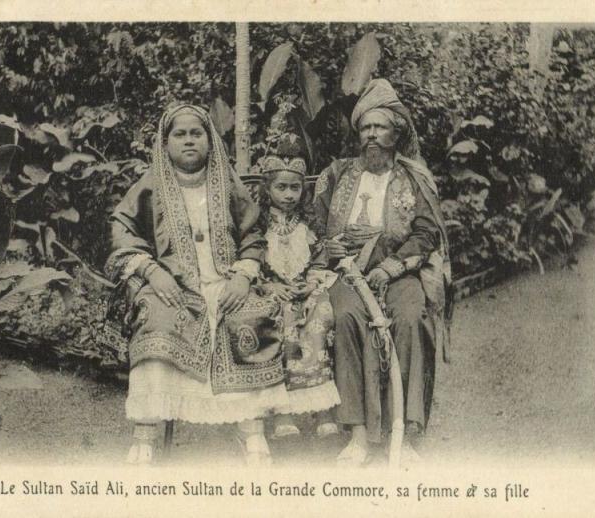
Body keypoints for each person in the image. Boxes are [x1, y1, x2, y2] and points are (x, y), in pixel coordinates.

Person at [105, 104, 288, 466]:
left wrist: (241, 275)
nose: (189, 141)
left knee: (249, 314)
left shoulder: (228, 183)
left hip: (226, 281)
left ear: (209, 139)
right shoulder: (151, 185)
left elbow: (253, 234)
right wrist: (152, 272)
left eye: (196, 133)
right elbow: (122, 232)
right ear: (166, 141)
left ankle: (251, 428)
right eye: (180, 134)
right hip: (172, 285)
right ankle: (146, 431)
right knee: (157, 320)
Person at [311, 79, 451, 465]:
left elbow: (427, 232)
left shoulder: (414, 177)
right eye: (365, 128)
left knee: (410, 317)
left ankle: (401, 434)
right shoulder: (336, 175)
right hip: (347, 273)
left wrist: (392, 266)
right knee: (347, 317)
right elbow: (313, 225)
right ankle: (357, 434)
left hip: (398, 271)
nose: (371, 135)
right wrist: (328, 246)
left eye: (380, 127)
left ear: (396, 132)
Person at [254, 141, 341, 439]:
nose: (289, 195)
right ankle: (283, 412)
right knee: (283, 324)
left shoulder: (309, 223)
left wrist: (312, 281)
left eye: (295, 188)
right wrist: (270, 285)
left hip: (307, 289)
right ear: (267, 189)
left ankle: (323, 408)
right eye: (281, 187)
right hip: (274, 292)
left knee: (319, 318)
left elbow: (320, 257)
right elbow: (251, 260)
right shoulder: (257, 225)